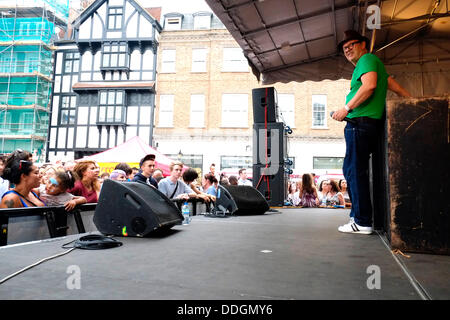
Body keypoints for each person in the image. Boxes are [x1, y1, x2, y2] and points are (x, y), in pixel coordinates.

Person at [332, 30, 411, 234]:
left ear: (363, 45)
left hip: (360, 123)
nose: (347, 49)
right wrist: (410, 100)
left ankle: (362, 221)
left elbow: (369, 87)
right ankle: (359, 218)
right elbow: (391, 84)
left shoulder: (367, 59)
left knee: (354, 172)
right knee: (354, 171)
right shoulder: (373, 64)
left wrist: (346, 109)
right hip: (367, 124)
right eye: (344, 48)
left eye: (351, 45)